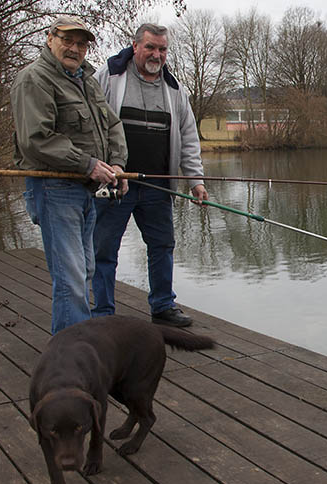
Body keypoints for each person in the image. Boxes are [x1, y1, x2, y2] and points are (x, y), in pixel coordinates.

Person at [11, 16, 128, 335]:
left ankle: (73, 346)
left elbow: (112, 125)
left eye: (81, 43)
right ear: (50, 39)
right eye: (68, 40)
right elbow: (36, 140)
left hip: (86, 191)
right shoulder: (34, 79)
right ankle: (71, 357)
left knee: (85, 269)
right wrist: (88, 163)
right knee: (71, 276)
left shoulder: (86, 81)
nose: (75, 48)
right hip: (54, 189)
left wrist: (117, 163)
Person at [93, 23, 208, 327]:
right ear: (135, 46)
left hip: (159, 186)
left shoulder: (175, 90)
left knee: (162, 246)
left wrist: (195, 180)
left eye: (162, 49)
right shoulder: (108, 77)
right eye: (151, 47)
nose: (157, 54)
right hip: (115, 184)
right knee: (104, 250)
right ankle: (103, 313)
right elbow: (89, 125)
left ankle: (162, 306)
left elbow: (188, 137)